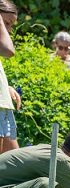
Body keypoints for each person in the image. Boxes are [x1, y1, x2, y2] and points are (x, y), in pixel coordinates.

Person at [0, 0, 20, 154]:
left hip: (4, 107)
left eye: (11, 25)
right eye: (6, 23)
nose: (9, 30)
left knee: (15, 165)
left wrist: (5, 87)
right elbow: (9, 50)